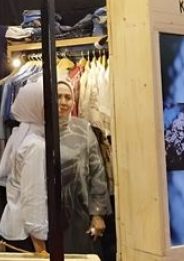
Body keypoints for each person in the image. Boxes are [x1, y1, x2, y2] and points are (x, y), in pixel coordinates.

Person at [57, 77, 110, 254]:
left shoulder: (84, 129)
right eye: (58, 96)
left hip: (79, 214)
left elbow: (97, 172)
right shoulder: (38, 129)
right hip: (46, 216)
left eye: (68, 97)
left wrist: (98, 214)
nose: (63, 102)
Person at [0, 81, 48, 254]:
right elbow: (33, 196)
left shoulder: (21, 135)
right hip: (27, 236)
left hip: (15, 228)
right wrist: (40, 248)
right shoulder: (35, 145)